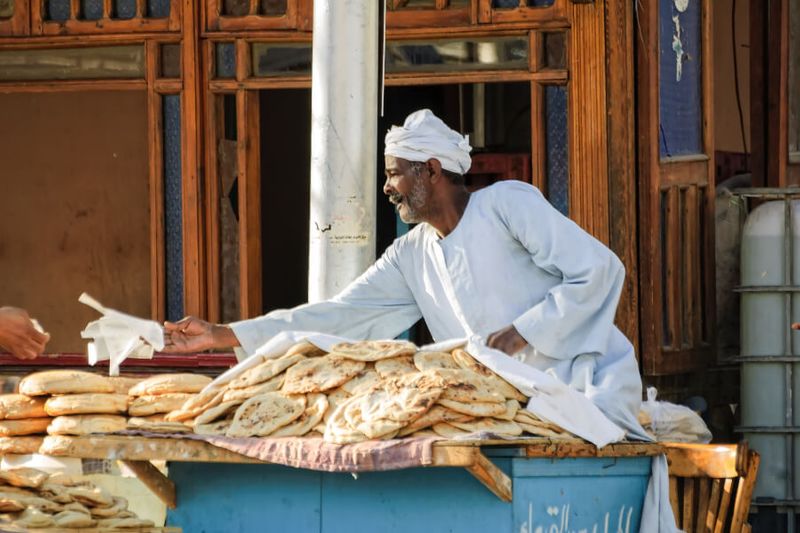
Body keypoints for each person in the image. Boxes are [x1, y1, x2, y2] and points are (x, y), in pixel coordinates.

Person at [164, 109, 645, 437]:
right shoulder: (410, 255)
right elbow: (339, 317)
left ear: (432, 170)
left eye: (395, 173)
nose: (387, 187)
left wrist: (520, 334)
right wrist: (223, 334)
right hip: (511, 415)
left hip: (586, 393)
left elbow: (600, 270)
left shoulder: (507, 205)